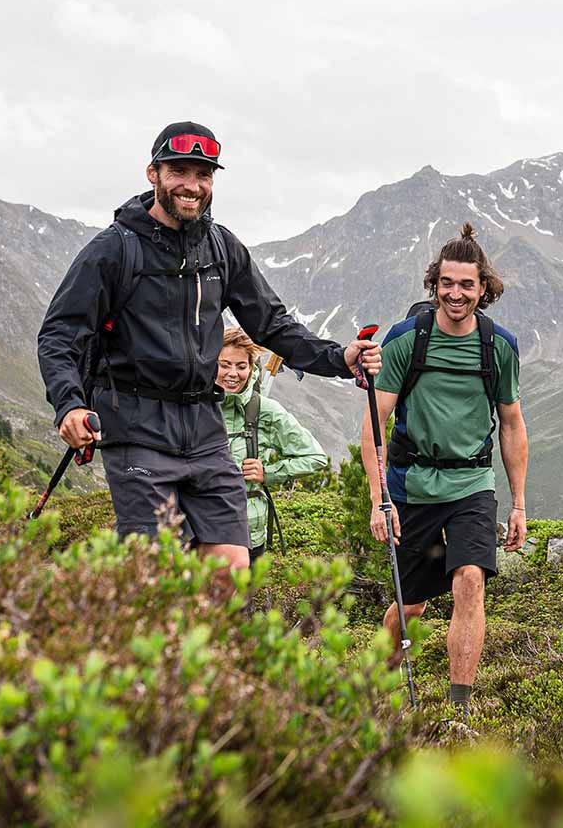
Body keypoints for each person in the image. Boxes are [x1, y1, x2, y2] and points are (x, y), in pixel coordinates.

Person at [38, 121, 381, 586]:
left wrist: (338, 359)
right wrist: (70, 404)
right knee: (155, 578)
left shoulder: (221, 249)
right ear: (153, 173)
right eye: (179, 171)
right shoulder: (113, 251)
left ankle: (206, 659)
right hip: (136, 427)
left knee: (231, 570)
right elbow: (60, 334)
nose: (192, 186)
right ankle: (147, 656)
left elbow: (272, 324)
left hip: (204, 427)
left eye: (204, 175)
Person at [360, 223, 529, 718]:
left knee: (470, 580)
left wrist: (518, 503)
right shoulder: (405, 340)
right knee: (410, 606)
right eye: (447, 284)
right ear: (434, 284)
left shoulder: (499, 347)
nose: (456, 294)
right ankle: (376, 685)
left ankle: (460, 710)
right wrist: (379, 500)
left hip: (472, 483)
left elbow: (512, 424)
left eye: (467, 285)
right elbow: (376, 424)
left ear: (484, 289)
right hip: (412, 485)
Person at [216, 327, 330, 562]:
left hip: (247, 531)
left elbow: (315, 456)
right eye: (224, 364)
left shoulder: (265, 411)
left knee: (240, 598)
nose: (232, 373)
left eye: (241, 366)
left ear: (251, 368)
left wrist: (267, 473)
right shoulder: (195, 406)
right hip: (201, 525)